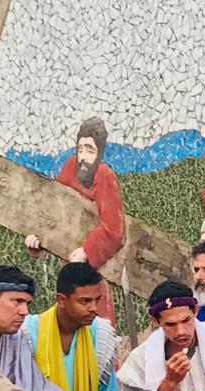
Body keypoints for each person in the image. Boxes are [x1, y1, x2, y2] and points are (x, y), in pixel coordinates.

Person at [21, 262, 130, 391]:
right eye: (85, 301)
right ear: (61, 300)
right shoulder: (28, 334)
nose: (94, 308)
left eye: (97, 300)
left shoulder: (99, 334)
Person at [24, 117, 124, 321]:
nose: (83, 156)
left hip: (95, 273)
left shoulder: (105, 176)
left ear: (99, 153)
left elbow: (114, 230)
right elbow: (55, 210)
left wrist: (86, 251)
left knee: (96, 323)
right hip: (69, 268)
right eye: (80, 149)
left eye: (90, 150)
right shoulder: (71, 167)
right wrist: (40, 239)